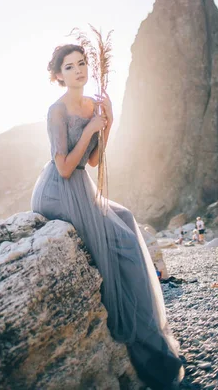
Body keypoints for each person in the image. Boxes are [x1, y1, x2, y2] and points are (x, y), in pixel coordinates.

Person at [31, 43, 184, 390]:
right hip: (58, 191)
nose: (78, 70)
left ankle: (152, 335)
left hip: (83, 186)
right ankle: (139, 334)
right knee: (124, 242)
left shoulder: (92, 105)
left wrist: (108, 123)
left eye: (82, 63)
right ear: (58, 75)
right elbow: (66, 167)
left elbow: (94, 161)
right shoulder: (56, 111)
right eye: (69, 67)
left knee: (127, 219)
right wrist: (88, 129)